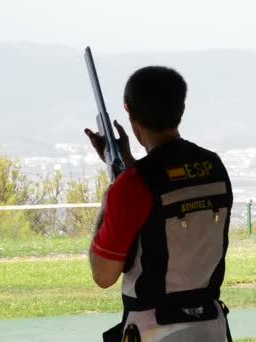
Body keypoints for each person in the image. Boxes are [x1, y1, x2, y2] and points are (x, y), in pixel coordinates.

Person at [85, 66, 233, 342]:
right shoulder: (214, 166)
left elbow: (102, 275)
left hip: (153, 330)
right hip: (212, 328)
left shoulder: (131, 186)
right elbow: (167, 189)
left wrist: (111, 197)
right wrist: (128, 166)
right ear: (180, 106)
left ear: (128, 111)